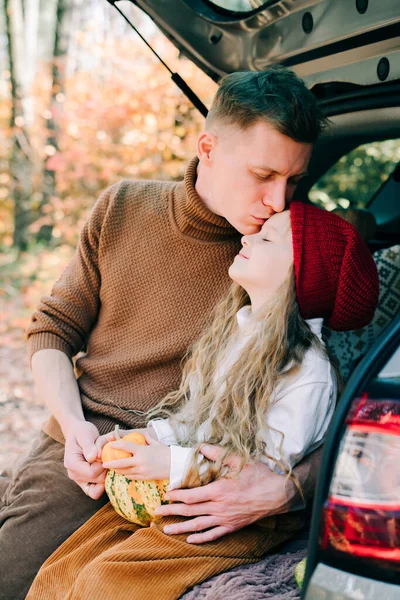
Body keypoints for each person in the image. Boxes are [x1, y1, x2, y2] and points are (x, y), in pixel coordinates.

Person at [0, 66, 335, 600]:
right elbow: (51, 329)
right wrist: (72, 425)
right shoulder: (124, 206)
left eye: (293, 181)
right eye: (263, 175)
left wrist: (288, 490)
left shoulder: (284, 258)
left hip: (186, 468)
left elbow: (313, 408)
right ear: (208, 147)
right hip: (90, 447)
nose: (279, 201)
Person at [26, 202, 379, 600]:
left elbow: (265, 468)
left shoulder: (306, 371)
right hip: (185, 488)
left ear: (302, 275)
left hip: (240, 514)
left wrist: (172, 462)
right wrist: (146, 438)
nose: (248, 237)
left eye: (267, 238)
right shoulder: (235, 334)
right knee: (64, 566)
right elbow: (195, 418)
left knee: (106, 582)